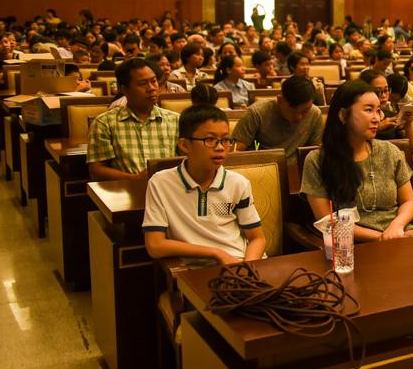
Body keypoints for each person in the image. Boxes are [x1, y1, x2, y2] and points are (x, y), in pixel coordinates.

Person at [142, 105, 265, 265]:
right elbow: (155, 245)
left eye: (225, 140)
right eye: (210, 140)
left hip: (241, 263)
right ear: (185, 145)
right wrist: (215, 253)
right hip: (196, 269)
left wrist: (247, 269)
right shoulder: (161, 183)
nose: (220, 147)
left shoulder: (238, 183)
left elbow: (257, 238)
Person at [301, 80, 413, 241]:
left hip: (401, 232)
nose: (376, 118)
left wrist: (396, 226)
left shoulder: (389, 151)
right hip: (352, 245)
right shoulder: (317, 160)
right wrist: (381, 237)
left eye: (378, 110)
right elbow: (327, 222)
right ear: (343, 115)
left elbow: (409, 202)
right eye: (368, 110)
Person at [87, 58, 180, 181]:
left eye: (154, 81)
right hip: (125, 192)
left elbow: (187, 161)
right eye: (143, 83)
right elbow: (96, 170)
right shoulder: (105, 123)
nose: (152, 88)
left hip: (169, 190)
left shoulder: (175, 120)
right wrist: (134, 179)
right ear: (124, 89)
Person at [231, 76, 324, 162]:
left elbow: (314, 152)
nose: (299, 118)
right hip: (264, 167)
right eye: (293, 111)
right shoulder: (256, 113)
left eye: (305, 111)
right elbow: (235, 151)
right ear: (280, 100)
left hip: (298, 171)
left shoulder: (315, 114)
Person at [358, 69, 412, 141]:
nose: (383, 95)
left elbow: (408, 147)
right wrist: (378, 128)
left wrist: (407, 125)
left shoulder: (392, 116)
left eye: (386, 90)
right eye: (378, 91)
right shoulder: (357, 117)